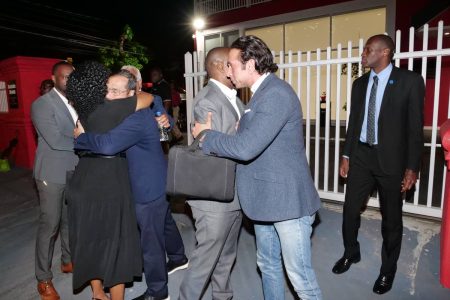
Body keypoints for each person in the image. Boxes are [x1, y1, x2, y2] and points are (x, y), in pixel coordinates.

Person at [192, 35, 322, 300]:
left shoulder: (275, 94)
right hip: (265, 202)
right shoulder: (258, 96)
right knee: (269, 266)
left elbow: (245, 148)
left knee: (300, 278)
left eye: (231, 65)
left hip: (287, 204)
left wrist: (206, 134)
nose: (228, 71)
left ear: (249, 64)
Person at [74, 72, 188, 300]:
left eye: (116, 91)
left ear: (131, 94)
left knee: (150, 241)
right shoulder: (131, 111)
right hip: (156, 180)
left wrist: (81, 137)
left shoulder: (134, 118)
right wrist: (160, 112)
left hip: (146, 186)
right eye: (107, 89)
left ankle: (158, 291)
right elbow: (152, 100)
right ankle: (178, 258)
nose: (109, 95)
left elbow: (107, 145)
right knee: (163, 223)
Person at [332, 34, 425, 295]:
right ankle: (351, 252)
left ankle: (388, 269)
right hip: (361, 156)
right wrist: (346, 155)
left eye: (368, 50)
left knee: (391, 220)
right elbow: (354, 122)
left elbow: (415, 130)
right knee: (350, 210)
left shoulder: (409, 81)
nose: (363, 54)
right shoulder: (360, 84)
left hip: (392, 161)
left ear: (385, 53)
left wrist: (412, 168)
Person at [65, 64, 143, 300]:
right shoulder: (114, 107)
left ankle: (97, 292)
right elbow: (147, 97)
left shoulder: (82, 109)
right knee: (116, 240)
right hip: (109, 181)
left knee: (89, 239)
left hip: (82, 180)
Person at [178, 47, 244, 300]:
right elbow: (211, 148)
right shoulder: (208, 100)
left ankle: (222, 296)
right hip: (212, 197)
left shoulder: (234, 98)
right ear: (221, 66)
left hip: (233, 192)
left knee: (226, 256)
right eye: (234, 62)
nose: (239, 65)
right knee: (205, 260)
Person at [120, 65, 189, 276]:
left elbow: (165, 128)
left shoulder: (152, 100)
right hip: (132, 167)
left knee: (150, 222)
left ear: (139, 83)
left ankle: (156, 277)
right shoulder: (118, 103)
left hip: (147, 169)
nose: (127, 83)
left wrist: (164, 122)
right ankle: (178, 257)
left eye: (131, 79)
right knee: (164, 217)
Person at [31, 61, 78, 300]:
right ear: (54, 77)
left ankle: (68, 261)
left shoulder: (75, 102)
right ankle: (43, 279)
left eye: (72, 77)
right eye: (64, 77)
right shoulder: (42, 104)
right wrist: (87, 141)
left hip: (72, 170)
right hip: (51, 173)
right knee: (49, 227)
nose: (68, 81)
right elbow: (55, 140)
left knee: (69, 221)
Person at [150, 67, 183, 143]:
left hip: (161, 115)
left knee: (163, 138)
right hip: (157, 114)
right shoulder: (155, 85)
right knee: (161, 137)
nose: (152, 77)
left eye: (155, 75)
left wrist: (164, 115)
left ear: (160, 75)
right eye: (151, 75)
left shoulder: (163, 85)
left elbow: (167, 102)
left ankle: (166, 150)